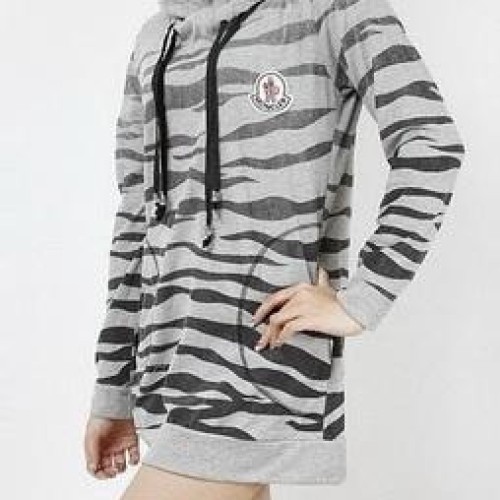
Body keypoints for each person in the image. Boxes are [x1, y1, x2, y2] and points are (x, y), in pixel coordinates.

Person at [83, 0, 466, 498]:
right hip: (166, 370)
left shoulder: (333, 10)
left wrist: (362, 299)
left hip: (261, 361)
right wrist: (114, 389)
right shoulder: (155, 38)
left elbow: (431, 143)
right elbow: (136, 217)